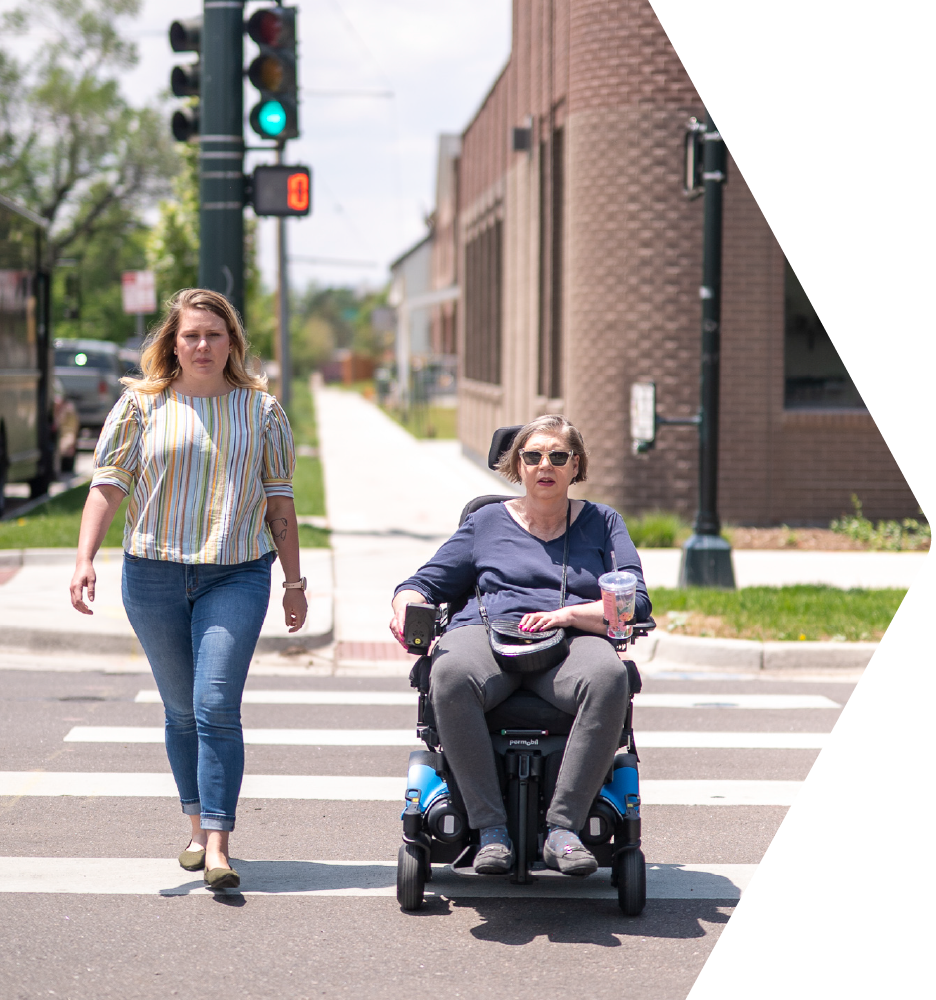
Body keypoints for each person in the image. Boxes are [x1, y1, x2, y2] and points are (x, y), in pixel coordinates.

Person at [69, 288, 307, 891]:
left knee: (216, 705)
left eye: (215, 335)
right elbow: (107, 485)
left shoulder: (262, 410)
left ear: (232, 343)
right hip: (152, 573)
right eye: (191, 335)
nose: (203, 345)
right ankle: (196, 826)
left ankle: (221, 844)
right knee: (181, 712)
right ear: (172, 344)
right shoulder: (140, 405)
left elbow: (279, 499)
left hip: (238, 571)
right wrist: (84, 558)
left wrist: (295, 581)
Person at [390, 414, 651, 877]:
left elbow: (632, 601)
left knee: (610, 675)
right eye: (532, 456)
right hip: (489, 635)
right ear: (518, 465)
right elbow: (424, 582)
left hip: (571, 641)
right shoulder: (487, 522)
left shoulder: (603, 523)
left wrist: (569, 614)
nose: (544, 465)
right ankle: (490, 831)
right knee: (447, 672)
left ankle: (563, 830)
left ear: (576, 465)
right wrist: (407, 606)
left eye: (558, 456)